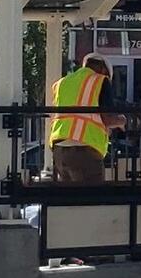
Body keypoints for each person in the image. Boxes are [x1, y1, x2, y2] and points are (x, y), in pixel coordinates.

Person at [48, 51, 114, 182]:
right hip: (85, 149)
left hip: (60, 149)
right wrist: (122, 121)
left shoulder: (62, 83)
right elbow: (107, 119)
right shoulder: (100, 81)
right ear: (102, 69)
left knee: (70, 200)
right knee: (91, 198)